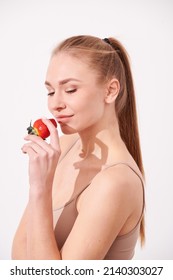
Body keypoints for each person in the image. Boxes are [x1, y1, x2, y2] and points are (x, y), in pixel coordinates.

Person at [12, 35, 145, 260]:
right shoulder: (61, 150)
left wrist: (40, 189)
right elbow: (19, 259)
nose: (55, 104)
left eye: (70, 90)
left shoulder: (115, 181)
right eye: (51, 91)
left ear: (111, 91)